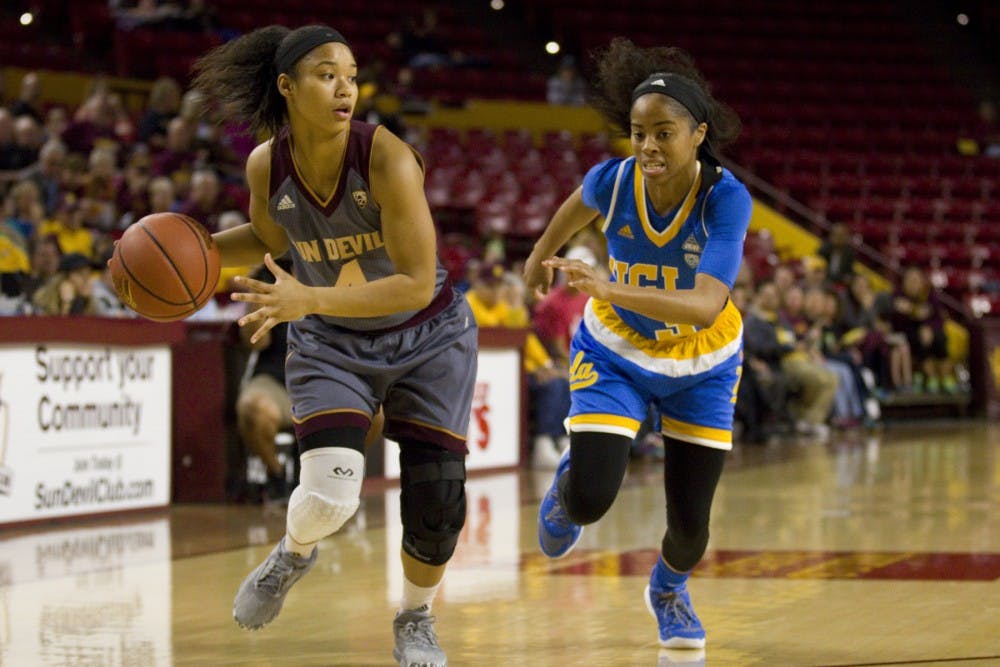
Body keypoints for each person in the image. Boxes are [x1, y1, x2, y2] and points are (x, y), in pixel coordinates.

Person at [189, 24, 478, 667]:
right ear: (287, 87)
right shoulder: (268, 164)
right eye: (326, 74)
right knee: (328, 497)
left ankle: (415, 618)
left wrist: (307, 299)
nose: (345, 87)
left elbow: (410, 279)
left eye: (350, 74)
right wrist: (190, 256)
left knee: (437, 507)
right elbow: (274, 241)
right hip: (333, 342)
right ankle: (292, 552)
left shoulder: (388, 158)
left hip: (429, 335)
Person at [522, 38, 750, 650]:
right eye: (638, 132)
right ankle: (569, 491)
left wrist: (611, 286)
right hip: (617, 351)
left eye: (664, 133)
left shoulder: (725, 199)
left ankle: (669, 589)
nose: (648, 146)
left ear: (697, 133)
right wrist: (540, 254)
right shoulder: (615, 180)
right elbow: (575, 206)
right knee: (593, 498)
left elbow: (706, 305)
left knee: (690, 528)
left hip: (702, 364)